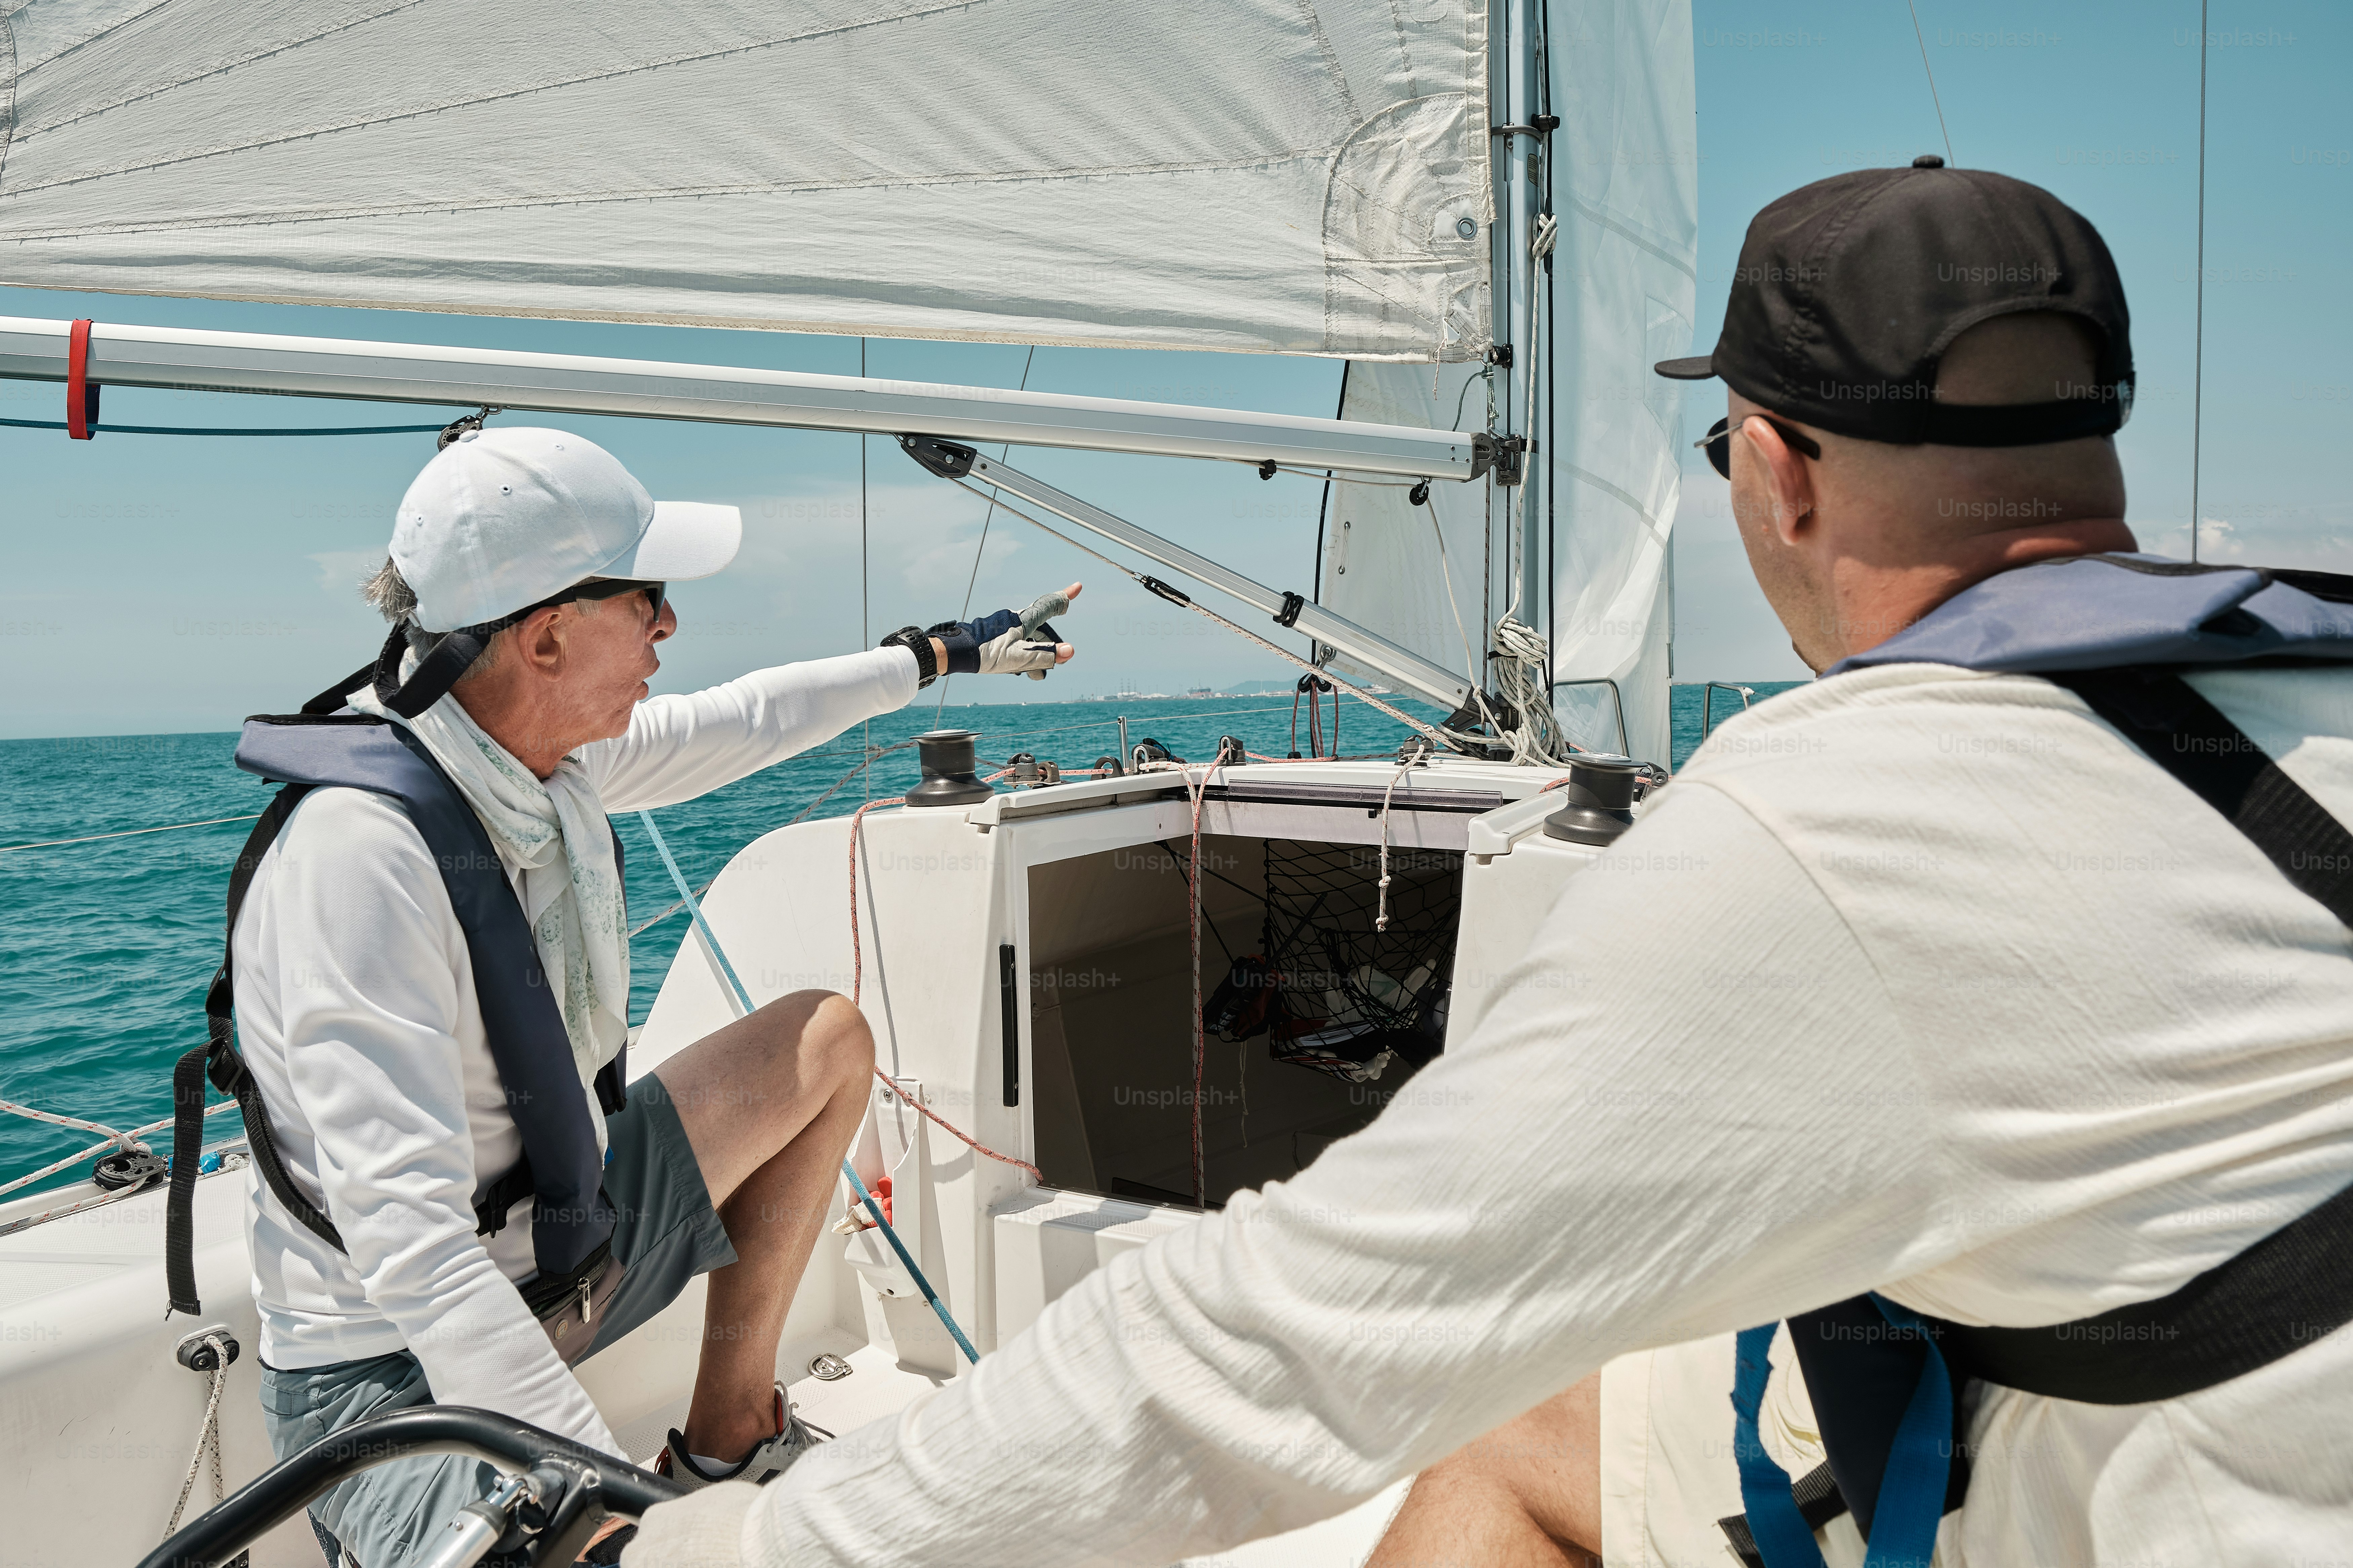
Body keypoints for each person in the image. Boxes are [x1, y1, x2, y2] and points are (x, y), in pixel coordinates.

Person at [622, 165, 2353, 1567]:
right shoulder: (2310, 681)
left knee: (1497, 1470)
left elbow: (1281, 1343)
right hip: (2246, 1404)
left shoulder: (1835, 820)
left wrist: (723, 1557)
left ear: (1775, 473)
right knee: (1569, 1429)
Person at [207, 423, 1079, 1568]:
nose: (670, 625)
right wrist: (622, 1510)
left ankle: (730, 1436)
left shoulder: (539, 757)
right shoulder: (360, 862)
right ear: (547, 634)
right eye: (649, 596)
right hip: (386, 1378)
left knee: (825, 1044)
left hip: (552, 1260)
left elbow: (760, 715)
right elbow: (417, 1259)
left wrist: (943, 654)